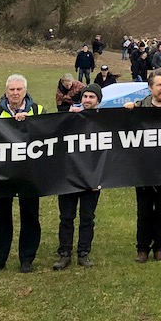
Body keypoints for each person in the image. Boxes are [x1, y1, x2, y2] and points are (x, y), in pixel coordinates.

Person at [0, 75, 46, 274]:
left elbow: (47, 138)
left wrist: (28, 124)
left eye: (19, 89)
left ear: (25, 91)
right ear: (6, 91)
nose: (15, 93)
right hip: (2, 173)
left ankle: (27, 259)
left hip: (30, 173)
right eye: (11, 90)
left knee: (30, 215)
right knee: (1, 216)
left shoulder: (38, 111)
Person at [126, 71, 161, 262]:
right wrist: (127, 112)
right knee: (144, 210)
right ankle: (142, 248)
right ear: (150, 88)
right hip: (144, 169)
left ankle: (159, 247)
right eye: (159, 85)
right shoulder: (140, 107)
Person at [54, 87, 103, 270]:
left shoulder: (104, 120)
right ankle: (64, 252)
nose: (88, 100)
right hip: (68, 176)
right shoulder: (70, 116)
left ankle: (83, 252)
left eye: (92, 97)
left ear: (98, 101)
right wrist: (70, 115)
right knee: (66, 217)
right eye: (85, 96)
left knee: (87, 217)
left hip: (92, 177)